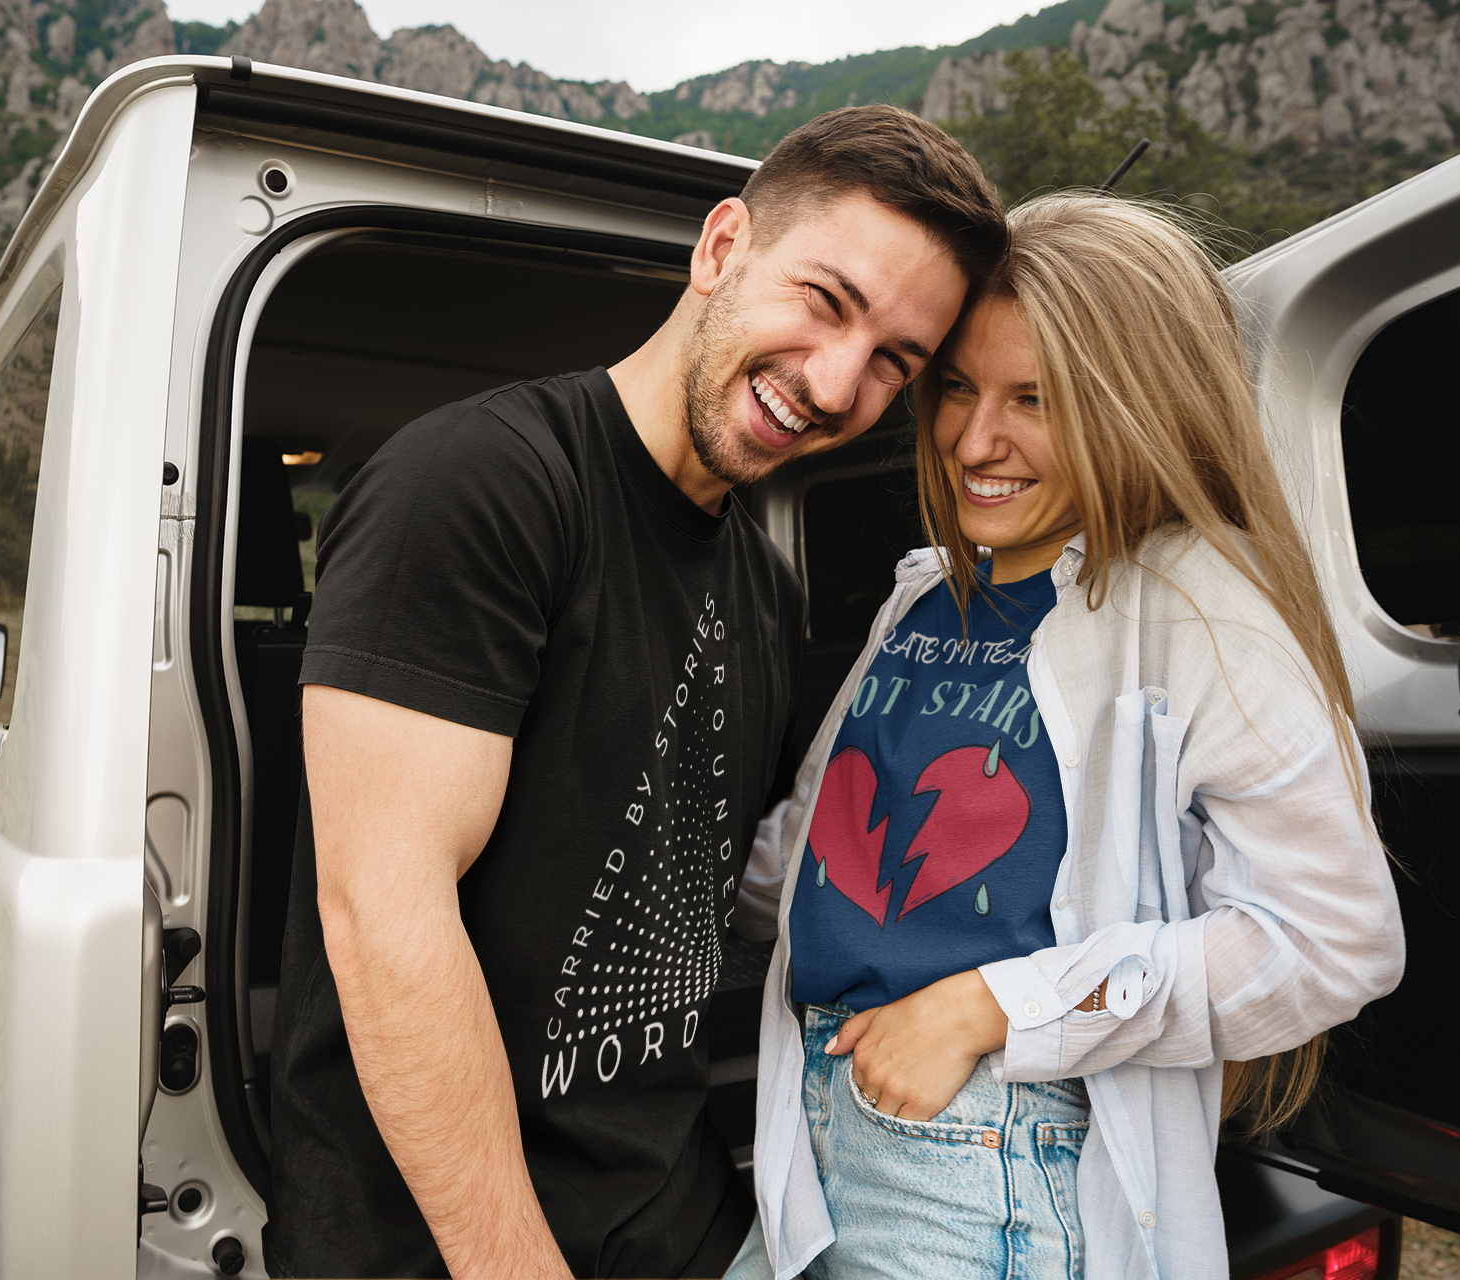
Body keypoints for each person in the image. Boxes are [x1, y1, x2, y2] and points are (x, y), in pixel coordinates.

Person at [263, 105, 1007, 1279]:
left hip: (687, 1229)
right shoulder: (479, 486)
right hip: (441, 1248)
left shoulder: (764, 590)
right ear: (721, 248)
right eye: (825, 300)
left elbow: (732, 886)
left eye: (892, 365)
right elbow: (385, 921)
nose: (831, 382)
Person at [728, 193, 1406, 1280]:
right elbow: (803, 855)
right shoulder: (923, 598)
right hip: (807, 1133)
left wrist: (991, 1004)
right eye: (958, 387)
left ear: (1139, 405)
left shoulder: (1196, 604)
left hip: (988, 1165)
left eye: (1035, 400)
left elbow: (1336, 939)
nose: (973, 438)